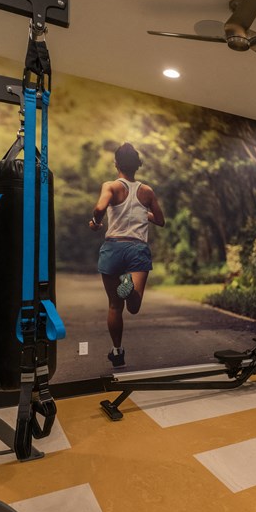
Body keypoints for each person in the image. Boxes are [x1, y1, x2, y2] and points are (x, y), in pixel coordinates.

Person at [89, 143, 165, 367]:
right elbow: (160, 221)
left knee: (114, 305)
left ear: (116, 164)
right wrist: (143, 213)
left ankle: (117, 351)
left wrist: (96, 222)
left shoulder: (111, 186)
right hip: (137, 249)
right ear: (138, 165)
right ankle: (129, 287)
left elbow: (99, 208)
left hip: (113, 248)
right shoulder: (147, 191)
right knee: (133, 307)